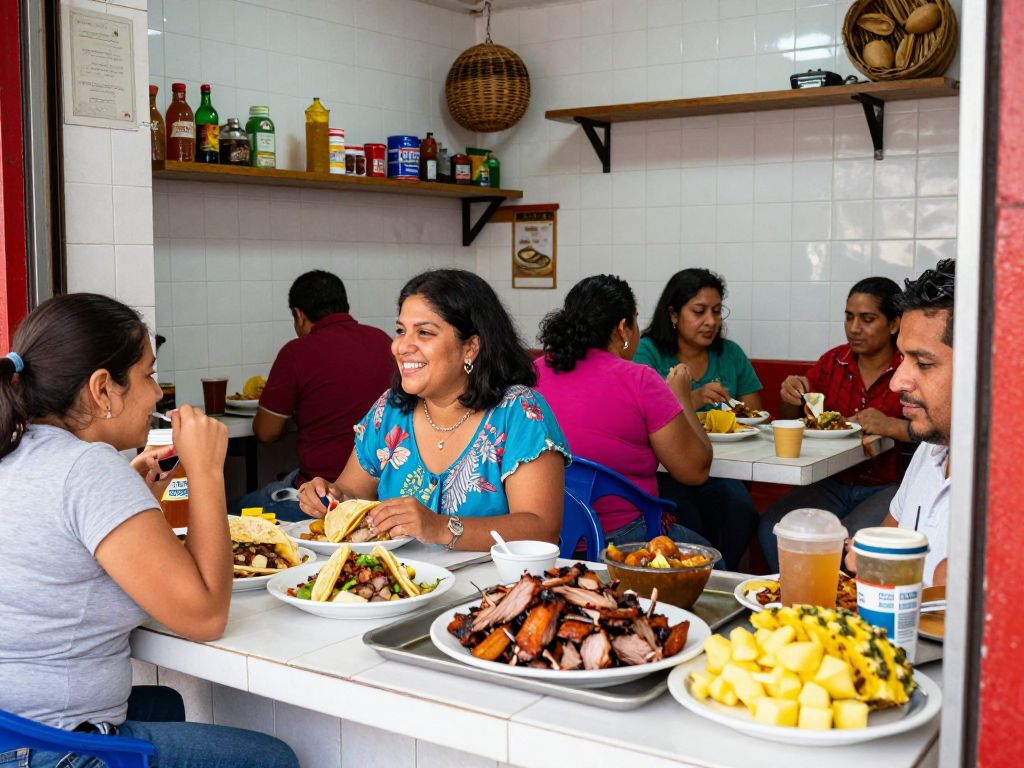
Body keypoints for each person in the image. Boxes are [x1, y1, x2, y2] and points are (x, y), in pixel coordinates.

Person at [0, 294, 297, 768]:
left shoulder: (19, 449)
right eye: (147, 375)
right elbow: (205, 617)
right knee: (273, 759)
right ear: (102, 389)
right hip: (49, 750)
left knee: (165, 705)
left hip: (14, 728)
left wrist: (133, 496)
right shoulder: (87, 468)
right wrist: (206, 471)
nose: (158, 394)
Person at [298, 269, 569, 549]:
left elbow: (541, 529)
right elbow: (352, 494)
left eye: (424, 333)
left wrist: (441, 527)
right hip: (403, 575)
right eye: (401, 331)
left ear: (471, 347)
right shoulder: (390, 410)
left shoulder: (519, 412)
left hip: (493, 577)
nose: (401, 346)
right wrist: (329, 496)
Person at [534, 275, 714, 546]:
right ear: (623, 329)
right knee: (713, 558)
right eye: (635, 321)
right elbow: (695, 471)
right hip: (625, 539)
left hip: (548, 540)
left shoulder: (531, 373)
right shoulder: (641, 380)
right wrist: (682, 397)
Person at [758, 277, 915, 572]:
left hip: (887, 486)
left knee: (852, 545)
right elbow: (792, 418)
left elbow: (938, 436)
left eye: (867, 319)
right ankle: (788, 597)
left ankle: (836, 602)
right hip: (831, 482)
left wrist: (890, 425)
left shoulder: (908, 368)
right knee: (772, 527)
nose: (854, 328)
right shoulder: (833, 362)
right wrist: (790, 395)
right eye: (849, 317)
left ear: (894, 324)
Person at [235, 270, 393, 521]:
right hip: (380, 492)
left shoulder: (297, 353)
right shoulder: (383, 341)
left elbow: (266, 432)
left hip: (323, 495)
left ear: (299, 314)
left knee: (232, 509)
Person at [633, 268, 760, 569]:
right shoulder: (648, 352)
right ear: (674, 314)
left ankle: (720, 575)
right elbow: (640, 414)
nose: (711, 321)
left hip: (722, 467)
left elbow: (755, 414)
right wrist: (693, 398)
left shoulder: (730, 354)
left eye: (717, 311)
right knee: (687, 515)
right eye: (699, 311)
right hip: (664, 468)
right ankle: (697, 573)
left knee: (739, 509)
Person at [845, 260, 956, 587]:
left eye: (923, 363)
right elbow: (886, 544)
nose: (897, 383)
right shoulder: (931, 450)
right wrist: (869, 557)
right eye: (903, 358)